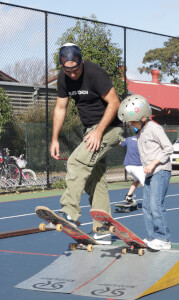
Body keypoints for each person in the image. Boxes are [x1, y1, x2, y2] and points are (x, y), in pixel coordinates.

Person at [50, 43, 123, 244]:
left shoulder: (95, 72)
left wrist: (99, 131)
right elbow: (60, 107)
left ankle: (69, 212)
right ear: (62, 67)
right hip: (90, 130)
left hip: (109, 128)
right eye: (68, 71)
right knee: (95, 179)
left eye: (76, 70)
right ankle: (103, 229)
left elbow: (114, 102)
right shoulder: (63, 78)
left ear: (82, 62)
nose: (73, 75)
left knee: (76, 162)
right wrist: (55, 138)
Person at [118, 94, 173, 250]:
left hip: (160, 171)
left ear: (142, 117)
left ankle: (164, 239)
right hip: (149, 173)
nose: (130, 124)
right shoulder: (140, 132)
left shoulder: (154, 128)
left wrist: (153, 163)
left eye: (132, 121)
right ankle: (152, 237)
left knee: (156, 205)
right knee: (147, 207)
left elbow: (168, 148)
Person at [119, 134, 145, 206]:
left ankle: (128, 196)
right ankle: (151, 201)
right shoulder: (143, 140)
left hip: (127, 165)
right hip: (137, 166)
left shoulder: (129, 138)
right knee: (146, 185)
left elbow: (120, 143)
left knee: (136, 180)